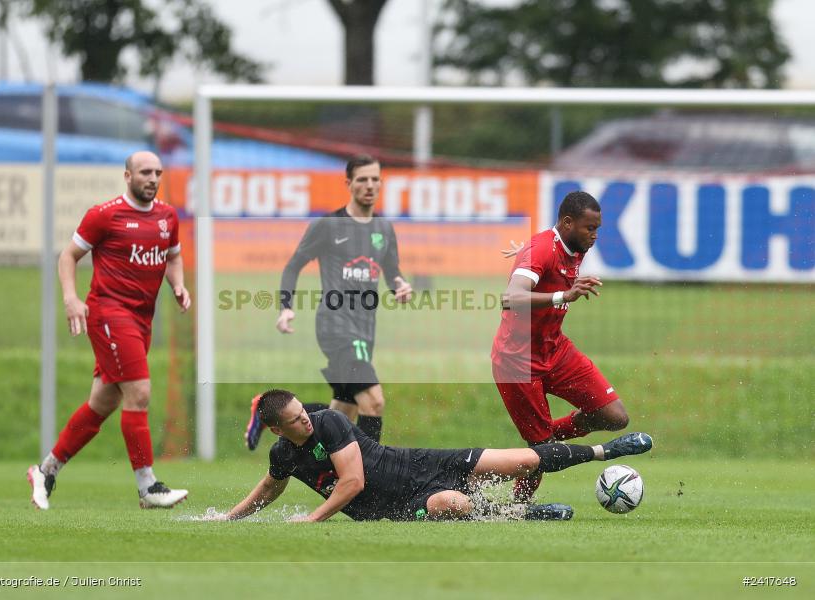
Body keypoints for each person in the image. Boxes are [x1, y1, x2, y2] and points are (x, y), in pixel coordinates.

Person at [27, 151, 191, 510]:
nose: (152, 178)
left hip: (141, 320)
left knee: (103, 403)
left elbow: (173, 256)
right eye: (145, 172)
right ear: (127, 175)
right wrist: (71, 298)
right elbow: (67, 256)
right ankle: (148, 487)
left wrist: (177, 285)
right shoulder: (105, 215)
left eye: (157, 173)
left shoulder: (166, 216)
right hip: (108, 314)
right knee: (140, 392)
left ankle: (46, 470)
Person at [216, 390, 652, 522]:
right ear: (277, 430)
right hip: (396, 506)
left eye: (302, 411)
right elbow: (267, 489)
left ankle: (603, 450)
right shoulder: (283, 455)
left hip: (420, 463)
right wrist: (229, 518)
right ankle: (519, 514)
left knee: (519, 460)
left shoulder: (327, 421)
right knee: (454, 505)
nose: (306, 419)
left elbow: (352, 481)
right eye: (295, 419)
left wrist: (311, 521)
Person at [244, 154, 413, 451]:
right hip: (335, 324)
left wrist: (399, 285)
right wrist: (286, 307)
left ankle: (265, 408)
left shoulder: (384, 229)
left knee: (339, 416)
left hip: (365, 329)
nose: (370, 185)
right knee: (373, 402)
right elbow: (293, 266)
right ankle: (370, 477)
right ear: (348, 183)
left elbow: (392, 272)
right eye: (362, 179)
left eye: (375, 179)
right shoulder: (328, 226)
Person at [491, 190, 631, 502]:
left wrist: (524, 254)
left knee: (614, 417)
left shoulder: (573, 244)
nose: (594, 236)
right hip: (518, 361)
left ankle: (543, 439)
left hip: (555, 351)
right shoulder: (542, 250)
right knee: (543, 456)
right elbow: (510, 298)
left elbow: (544, 256)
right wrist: (562, 295)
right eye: (589, 228)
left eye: (597, 229)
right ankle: (518, 505)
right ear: (568, 223)